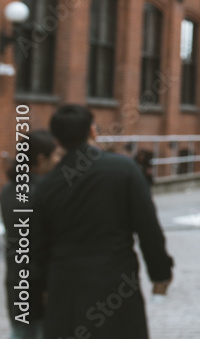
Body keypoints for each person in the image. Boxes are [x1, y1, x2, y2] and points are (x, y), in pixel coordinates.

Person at [34, 105, 174, 339]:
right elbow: (148, 227)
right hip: (115, 283)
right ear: (93, 131)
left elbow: (37, 248)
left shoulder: (47, 186)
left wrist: (39, 292)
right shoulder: (124, 169)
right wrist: (160, 273)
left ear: (57, 139)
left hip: (66, 289)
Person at [2, 130, 59, 339]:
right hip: (40, 281)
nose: (57, 160)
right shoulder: (45, 191)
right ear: (41, 159)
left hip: (16, 278)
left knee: (21, 331)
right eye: (54, 155)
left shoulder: (8, 191)